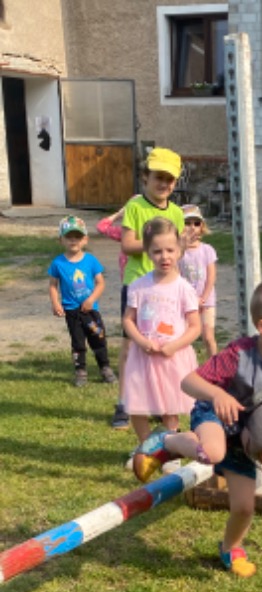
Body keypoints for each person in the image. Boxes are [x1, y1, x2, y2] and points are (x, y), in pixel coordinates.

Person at [131, 278, 262, 578]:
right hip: (213, 415)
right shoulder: (239, 354)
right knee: (213, 452)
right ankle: (169, 441)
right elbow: (189, 382)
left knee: (244, 507)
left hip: (243, 440)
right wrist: (218, 394)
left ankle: (230, 548)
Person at [111, 146, 185, 430]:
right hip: (138, 287)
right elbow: (127, 244)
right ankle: (124, 402)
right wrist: (156, 245)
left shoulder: (176, 213)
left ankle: (158, 402)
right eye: (158, 177)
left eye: (169, 179)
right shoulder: (136, 207)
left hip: (166, 290)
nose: (164, 183)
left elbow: (178, 251)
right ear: (145, 177)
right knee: (132, 345)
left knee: (163, 344)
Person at [121, 218, 201, 445]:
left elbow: (195, 326)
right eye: (157, 251)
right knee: (137, 404)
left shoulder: (184, 288)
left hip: (172, 359)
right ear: (147, 252)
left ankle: (169, 448)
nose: (164, 256)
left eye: (170, 250)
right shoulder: (138, 286)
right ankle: (146, 448)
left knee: (170, 407)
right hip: (143, 357)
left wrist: (174, 346)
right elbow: (128, 320)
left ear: (179, 251)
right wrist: (141, 341)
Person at [48, 215, 116, 387]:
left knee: (98, 338)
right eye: (69, 237)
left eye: (77, 237)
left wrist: (91, 299)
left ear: (85, 239)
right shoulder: (58, 263)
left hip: (90, 310)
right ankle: (80, 370)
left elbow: (100, 283)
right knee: (78, 342)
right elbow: (53, 285)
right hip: (72, 311)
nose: (73, 240)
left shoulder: (91, 260)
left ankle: (105, 367)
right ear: (61, 240)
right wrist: (55, 303)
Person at [178, 204, 218, 357]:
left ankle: (214, 365)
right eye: (187, 223)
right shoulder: (179, 252)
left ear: (202, 227)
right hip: (187, 300)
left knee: (208, 337)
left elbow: (211, 276)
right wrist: (191, 298)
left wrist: (203, 298)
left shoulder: (207, 250)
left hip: (206, 301)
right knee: (185, 337)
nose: (192, 227)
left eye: (196, 223)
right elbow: (177, 276)